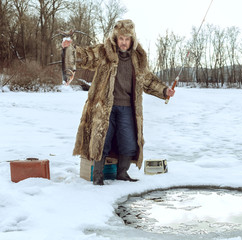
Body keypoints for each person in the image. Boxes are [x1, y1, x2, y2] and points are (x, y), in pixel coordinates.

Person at [62, 19, 175, 185]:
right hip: (105, 107)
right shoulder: (104, 52)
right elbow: (87, 56)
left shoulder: (138, 58)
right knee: (102, 142)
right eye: (121, 38)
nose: (123, 42)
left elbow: (148, 80)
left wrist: (165, 91)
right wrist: (70, 49)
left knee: (129, 143)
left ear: (132, 40)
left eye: (127, 39)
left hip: (127, 108)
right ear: (116, 38)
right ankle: (98, 176)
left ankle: (122, 174)